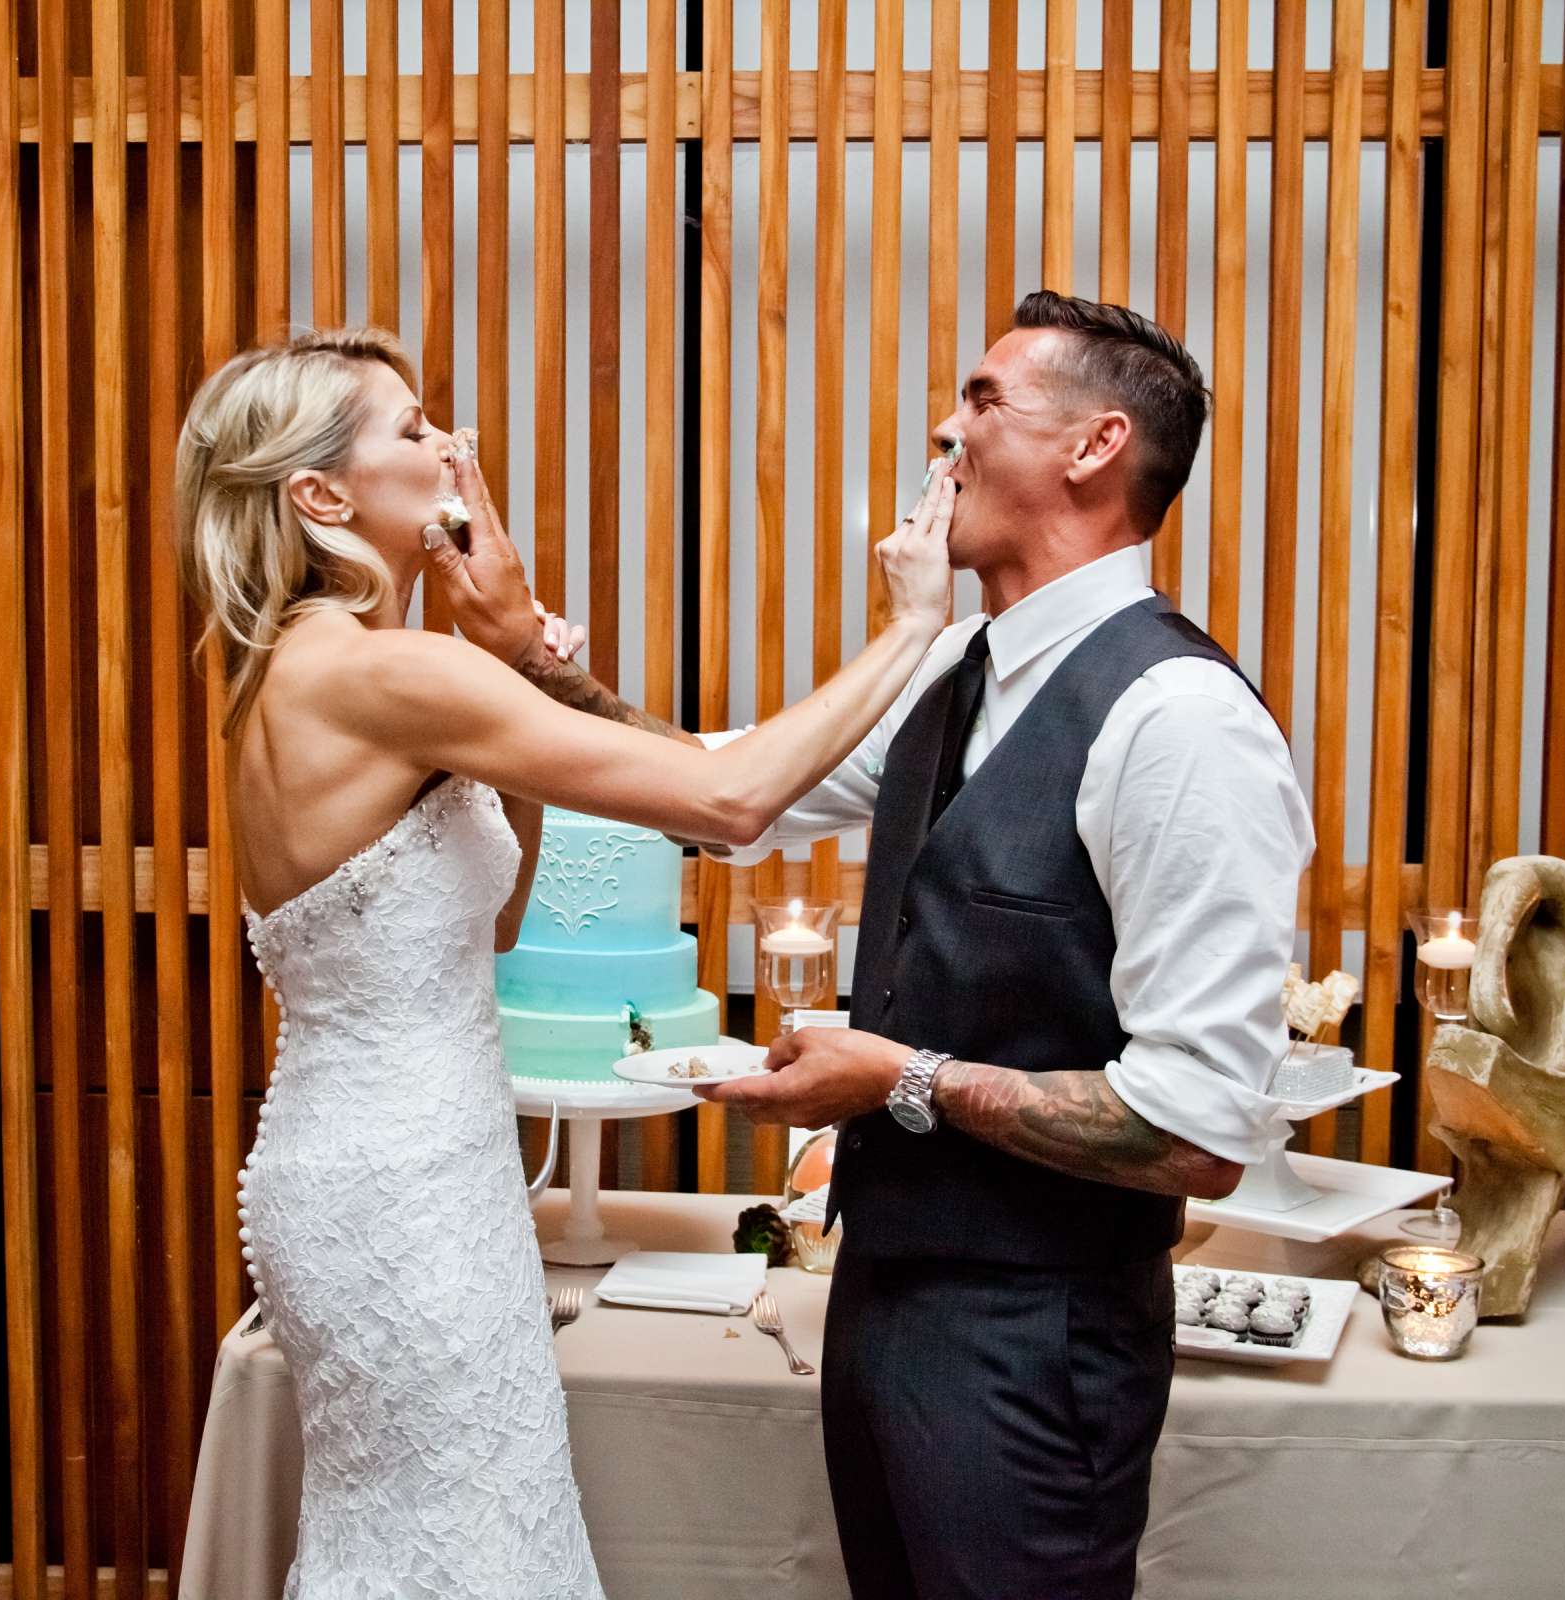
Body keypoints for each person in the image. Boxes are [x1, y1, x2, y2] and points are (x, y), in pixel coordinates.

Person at [460, 291, 1312, 1598]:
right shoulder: (952, 664)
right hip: (885, 1297)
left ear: (1092, 446)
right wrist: (527, 651)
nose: (941, 429)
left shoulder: (1182, 721)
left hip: (1044, 1335)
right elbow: (719, 792)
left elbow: (1200, 1135)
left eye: (980, 401)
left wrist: (896, 1079)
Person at [172, 326, 955, 1599]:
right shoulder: (388, 676)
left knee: (430, 1531)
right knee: (462, 1540)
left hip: (386, 1160)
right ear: (318, 494)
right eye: (414, 428)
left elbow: (490, 911)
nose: (452, 448)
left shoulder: (296, 673)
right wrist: (912, 626)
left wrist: (508, 678)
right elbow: (733, 802)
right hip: (404, 1193)